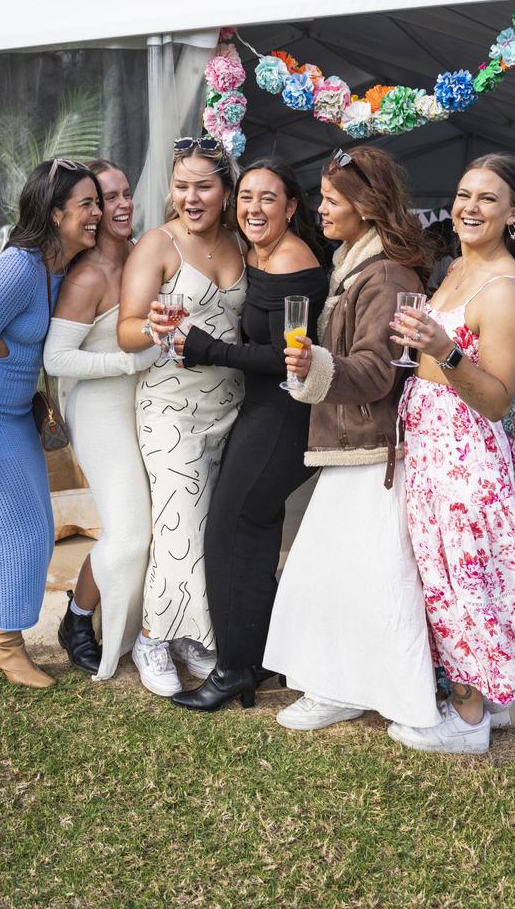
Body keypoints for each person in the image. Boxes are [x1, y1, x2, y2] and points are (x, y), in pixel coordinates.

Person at [388, 153, 515, 754]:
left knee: (461, 579)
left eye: (487, 198)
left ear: (513, 213)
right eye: (464, 194)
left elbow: (497, 398)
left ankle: (469, 722)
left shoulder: (504, 289)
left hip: (465, 450)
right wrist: (421, 351)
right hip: (430, 441)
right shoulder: (455, 269)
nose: (470, 207)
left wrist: (445, 349)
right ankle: (470, 700)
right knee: (438, 574)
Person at [263, 145, 442, 733]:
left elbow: (377, 370)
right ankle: (339, 684)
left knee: (364, 579)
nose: (320, 209)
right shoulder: (355, 265)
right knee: (338, 575)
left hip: (374, 450)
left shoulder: (386, 273)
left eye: (332, 200)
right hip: (353, 444)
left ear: (366, 207)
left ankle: (363, 690)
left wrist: (313, 362)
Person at [0, 159, 103, 688]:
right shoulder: (20, 268)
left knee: (2, 530)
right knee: (25, 533)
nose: (97, 213)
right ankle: (6, 645)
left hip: (12, 416)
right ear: (55, 214)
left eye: (98, 202)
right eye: (87, 205)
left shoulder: (62, 269)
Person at [168, 159, 329, 712]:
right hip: (259, 410)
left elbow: (291, 360)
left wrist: (208, 350)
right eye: (247, 197)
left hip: (284, 415)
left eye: (269, 199)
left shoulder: (294, 262)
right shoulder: (257, 254)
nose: (254, 208)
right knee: (253, 534)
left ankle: (234, 669)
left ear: (291, 209)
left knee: (229, 532)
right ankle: (257, 659)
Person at [117, 137, 246, 696]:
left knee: (212, 524)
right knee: (180, 522)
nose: (190, 197)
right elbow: (126, 330)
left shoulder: (243, 244)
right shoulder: (157, 243)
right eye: (182, 185)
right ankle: (150, 637)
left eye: (204, 186)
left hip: (231, 405)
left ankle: (189, 634)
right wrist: (155, 327)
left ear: (226, 190)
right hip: (170, 405)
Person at [43, 159, 157, 680]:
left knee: (146, 526)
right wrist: (126, 363)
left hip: (143, 404)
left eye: (125, 193)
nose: (121, 204)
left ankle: (142, 627)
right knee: (129, 533)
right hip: (99, 411)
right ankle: (79, 618)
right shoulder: (87, 275)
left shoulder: (142, 256)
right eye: (106, 198)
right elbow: (56, 359)